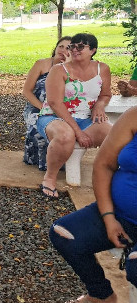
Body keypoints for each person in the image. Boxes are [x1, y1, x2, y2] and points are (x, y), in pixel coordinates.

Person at [49, 106, 137, 303]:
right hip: (120, 214)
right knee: (65, 234)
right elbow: (104, 165)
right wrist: (108, 218)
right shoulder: (134, 116)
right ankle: (101, 295)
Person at [36, 33, 112, 199]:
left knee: (114, 135)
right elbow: (55, 103)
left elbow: (105, 94)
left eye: (80, 46)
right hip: (54, 116)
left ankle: (111, 178)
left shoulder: (102, 69)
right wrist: (78, 131)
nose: (74, 49)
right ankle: (49, 178)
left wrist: (99, 105)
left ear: (93, 50)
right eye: (72, 46)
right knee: (65, 136)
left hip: (86, 118)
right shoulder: (58, 70)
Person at [22, 36, 71, 170]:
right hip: (37, 107)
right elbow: (26, 91)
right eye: (60, 46)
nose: (63, 50)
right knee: (39, 127)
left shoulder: (72, 69)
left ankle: (60, 162)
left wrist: (67, 66)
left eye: (68, 48)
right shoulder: (41, 64)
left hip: (62, 109)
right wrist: (43, 108)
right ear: (55, 48)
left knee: (63, 130)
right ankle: (41, 162)